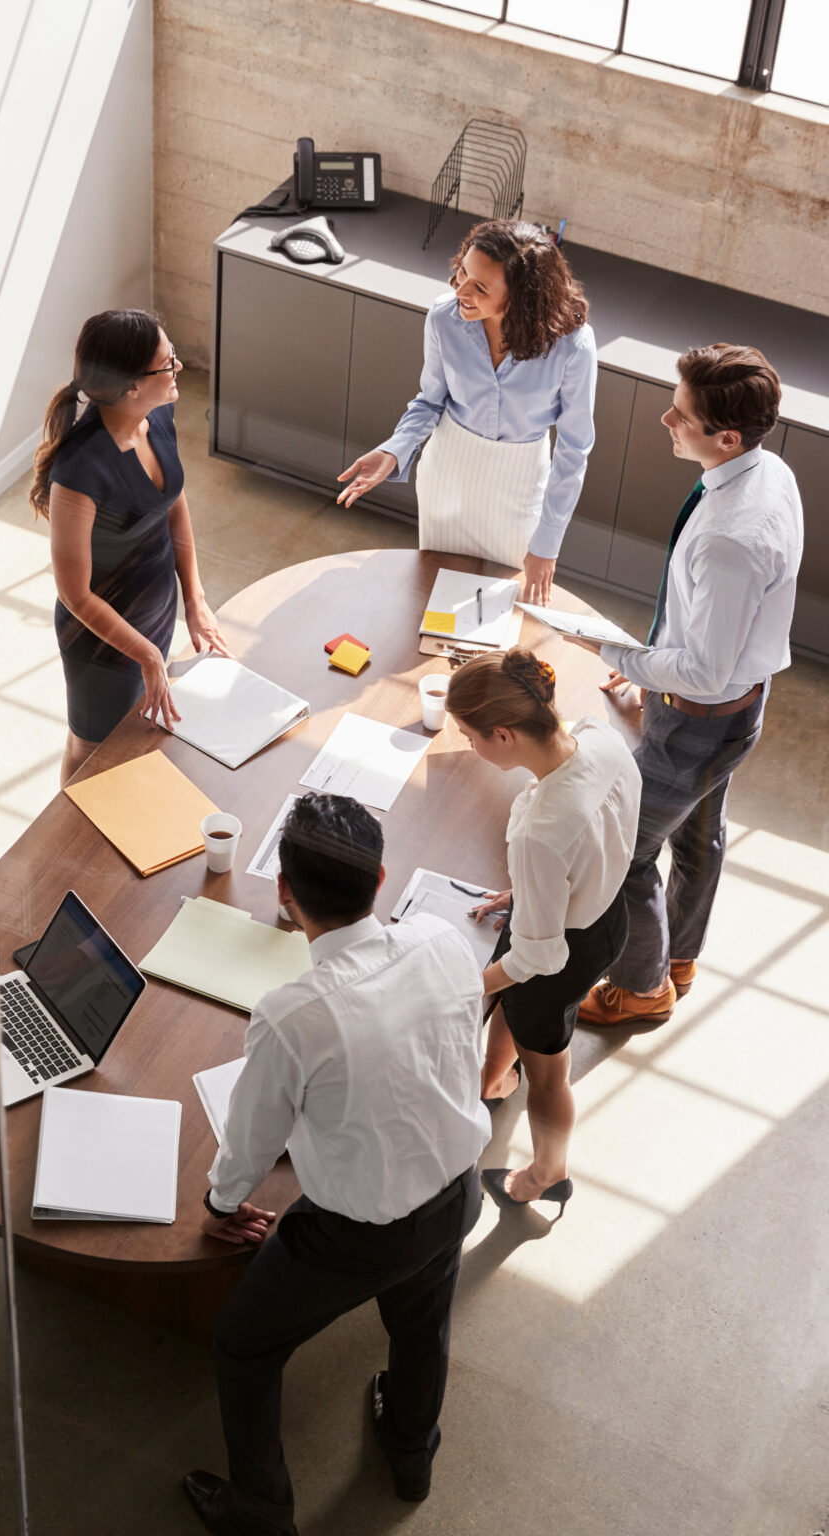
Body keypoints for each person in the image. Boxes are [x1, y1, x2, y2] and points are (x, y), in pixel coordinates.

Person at [184, 793, 489, 1536]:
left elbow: (252, 1143)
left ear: (284, 893)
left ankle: (260, 1513)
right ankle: (411, 1452)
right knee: (421, 1323)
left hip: (358, 1236)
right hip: (459, 1192)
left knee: (243, 1342)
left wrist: (222, 1206)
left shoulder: (293, 1013)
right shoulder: (442, 939)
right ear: (381, 877)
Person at [569, 343, 803, 1028]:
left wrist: (619, 652)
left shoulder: (730, 540)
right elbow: (713, 644)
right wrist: (654, 670)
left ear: (727, 436)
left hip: (698, 718)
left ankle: (643, 988)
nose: (663, 418)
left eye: (682, 413)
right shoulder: (766, 471)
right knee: (699, 833)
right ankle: (678, 955)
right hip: (734, 708)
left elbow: (703, 670)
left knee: (622, 857)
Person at [445, 650, 640, 1209]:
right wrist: (532, 894)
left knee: (549, 1074)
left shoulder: (540, 835)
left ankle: (546, 1173)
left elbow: (535, 959)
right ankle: (491, 1080)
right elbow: (598, 838)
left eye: (469, 734)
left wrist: (464, 987)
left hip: (562, 954)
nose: (468, 744)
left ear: (503, 734)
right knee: (516, 1008)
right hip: (605, 911)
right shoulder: (599, 738)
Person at [336, 219, 596, 605]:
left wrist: (547, 542)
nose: (461, 289)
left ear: (522, 297)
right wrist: (395, 450)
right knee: (433, 599)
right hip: (448, 473)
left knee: (497, 608)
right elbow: (430, 400)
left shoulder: (572, 345)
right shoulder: (444, 318)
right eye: (462, 273)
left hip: (519, 487)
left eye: (480, 287)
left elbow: (574, 448)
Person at [29, 308, 230, 784]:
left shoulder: (157, 416)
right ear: (132, 385)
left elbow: (173, 504)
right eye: (168, 363)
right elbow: (75, 594)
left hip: (153, 614)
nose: (179, 367)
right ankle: (65, 844)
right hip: (100, 640)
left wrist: (194, 599)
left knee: (134, 737)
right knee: (91, 746)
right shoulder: (80, 471)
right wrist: (146, 655)